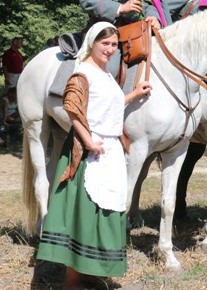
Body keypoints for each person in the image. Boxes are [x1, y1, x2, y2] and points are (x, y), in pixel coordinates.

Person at [36, 22, 152, 289]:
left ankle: (88, 271)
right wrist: (89, 142)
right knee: (84, 216)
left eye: (114, 45)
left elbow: (108, 105)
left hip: (108, 150)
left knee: (103, 213)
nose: (110, 50)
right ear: (92, 42)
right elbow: (73, 108)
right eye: (105, 44)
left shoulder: (104, 73)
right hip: (90, 153)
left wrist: (134, 94)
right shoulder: (83, 72)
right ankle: (72, 280)